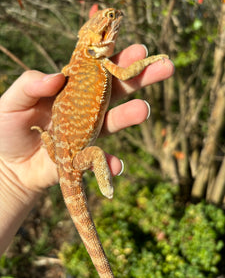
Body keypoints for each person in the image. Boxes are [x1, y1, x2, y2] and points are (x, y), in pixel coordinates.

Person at [0, 44, 174, 256]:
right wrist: (148, 61)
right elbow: (127, 73)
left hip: (61, 155)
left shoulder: (89, 63)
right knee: (96, 154)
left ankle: (105, 186)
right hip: (69, 158)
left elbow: (126, 73)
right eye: (109, 18)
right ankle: (106, 186)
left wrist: (43, 140)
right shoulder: (84, 63)